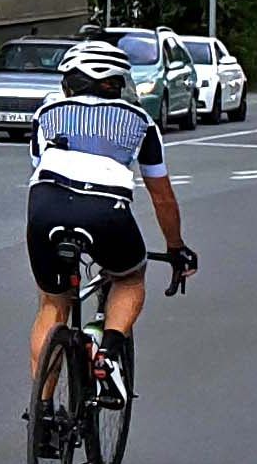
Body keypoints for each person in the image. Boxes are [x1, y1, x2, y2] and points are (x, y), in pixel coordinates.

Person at [27, 35, 193, 411]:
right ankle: (110, 351)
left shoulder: (46, 114)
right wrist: (176, 247)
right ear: (118, 83)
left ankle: (43, 412)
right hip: (106, 213)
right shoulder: (141, 123)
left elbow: (39, 169)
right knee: (130, 276)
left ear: (68, 81)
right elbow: (162, 196)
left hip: (46, 208)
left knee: (53, 304)